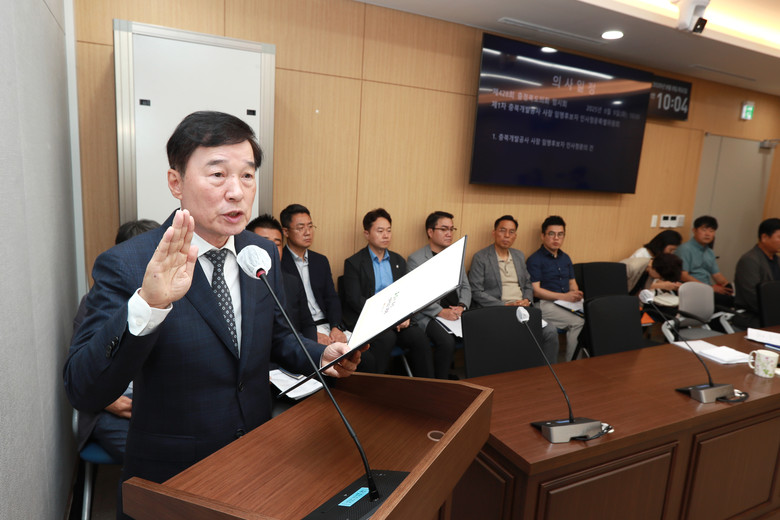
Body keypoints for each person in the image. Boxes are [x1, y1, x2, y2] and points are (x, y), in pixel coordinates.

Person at [63, 111, 361, 518]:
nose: (236, 192)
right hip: (174, 475)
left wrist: (321, 355)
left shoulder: (259, 250)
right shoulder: (128, 263)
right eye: (218, 175)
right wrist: (148, 305)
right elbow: (84, 388)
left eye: (247, 175)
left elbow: (276, 337)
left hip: (256, 458)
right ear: (176, 182)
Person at [72, 219, 160, 462]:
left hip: (163, 403)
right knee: (145, 460)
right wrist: (106, 401)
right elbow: (81, 369)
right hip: (111, 405)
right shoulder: (96, 302)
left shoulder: (175, 296)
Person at [343, 209, 434, 377]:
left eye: (389, 230)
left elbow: (407, 293)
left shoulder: (398, 260)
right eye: (380, 231)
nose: (386, 235)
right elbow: (354, 300)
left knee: (419, 338)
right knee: (386, 339)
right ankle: (375, 387)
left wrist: (405, 315)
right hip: (372, 321)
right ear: (366, 234)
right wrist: (387, 318)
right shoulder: (353, 263)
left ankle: (428, 386)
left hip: (398, 321)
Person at [469, 215, 560, 363]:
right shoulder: (481, 257)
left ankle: (546, 372)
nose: (507, 235)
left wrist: (527, 300)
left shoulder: (518, 256)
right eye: (502, 230)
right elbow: (476, 292)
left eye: (511, 232)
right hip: (498, 310)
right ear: (494, 233)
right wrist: (504, 305)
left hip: (522, 309)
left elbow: (527, 284)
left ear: (515, 236)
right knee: (510, 335)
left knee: (550, 331)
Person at [407, 211, 471, 379]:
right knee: (446, 342)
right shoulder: (416, 259)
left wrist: (462, 306)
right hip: (430, 314)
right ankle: (441, 383)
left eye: (451, 229)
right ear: (430, 232)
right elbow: (416, 294)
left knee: (480, 332)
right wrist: (440, 312)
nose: (449, 233)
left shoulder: (456, 255)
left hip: (456, 312)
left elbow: (465, 286)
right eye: (444, 229)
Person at [280, 204, 348, 346]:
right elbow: (285, 310)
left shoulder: (320, 261)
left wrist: (336, 327)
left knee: (364, 351)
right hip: (302, 330)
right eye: (300, 228)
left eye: (310, 226)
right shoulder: (279, 262)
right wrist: (310, 334)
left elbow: (331, 298)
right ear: (285, 232)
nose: (308, 232)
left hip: (328, 325)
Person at [247, 214, 316, 341]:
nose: (271, 249)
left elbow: (307, 324)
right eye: (264, 243)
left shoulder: (292, 282)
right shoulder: (238, 282)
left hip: (293, 348)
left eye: (277, 244)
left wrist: (312, 350)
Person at [525, 216, 584, 361]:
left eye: (560, 234)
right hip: (544, 304)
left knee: (594, 314)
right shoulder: (535, 259)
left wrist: (575, 294)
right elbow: (536, 291)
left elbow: (572, 283)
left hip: (566, 303)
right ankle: (573, 364)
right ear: (543, 236)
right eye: (551, 234)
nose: (556, 238)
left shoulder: (565, 258)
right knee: (578, 322)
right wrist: (565, 297)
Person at [675, 215, 734, 307]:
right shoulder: (685, 249)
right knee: (729, 302)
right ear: (694, 230)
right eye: (704, 230)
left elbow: (717, 275)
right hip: (692, 290)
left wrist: (728, 287)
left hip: (707, 288)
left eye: (711, 231)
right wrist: (709, 288)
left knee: (735, 299)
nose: (708, 234)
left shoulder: (710, 252)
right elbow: (683, 276)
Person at [733, 218, 780, 329]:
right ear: (764, 237)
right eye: (779, 237)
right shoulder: (749, 260)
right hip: (753, 315)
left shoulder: (777, 260)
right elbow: (753, 297)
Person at [623, 230, 683, 294]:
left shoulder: (653, 265)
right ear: (662, 244)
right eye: (670, 250)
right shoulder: (637, 261)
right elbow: (629, 286)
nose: (671, 253)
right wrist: (663, 285)